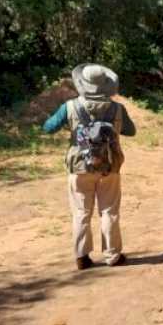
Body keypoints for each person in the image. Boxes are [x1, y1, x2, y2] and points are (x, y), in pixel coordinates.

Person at [42, 63, 136, 270]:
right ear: (106, 85)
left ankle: (82, 257)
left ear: (82, 84)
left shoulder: (70, 106)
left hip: (79, 166)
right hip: (110, 166)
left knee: (81, 212)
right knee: (109, 211)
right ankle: (113, 255)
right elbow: (131, 131)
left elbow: (48, 128)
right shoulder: (118, 108)